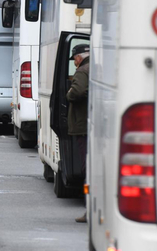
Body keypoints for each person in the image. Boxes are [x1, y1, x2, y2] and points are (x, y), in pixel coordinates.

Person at [66, 43, 89, 223]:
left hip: (83, 125)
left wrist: (69, 93)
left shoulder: (82, 71)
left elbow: (77, 92)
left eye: (74, 59)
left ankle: (89, 210)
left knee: (87, 168)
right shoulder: (98, 67)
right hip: (94, 125)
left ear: (80, 57)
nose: (74, 62)